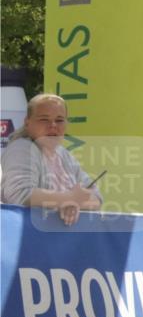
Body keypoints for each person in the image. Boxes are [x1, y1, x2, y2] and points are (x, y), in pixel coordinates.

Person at [1, 93, 102, 225]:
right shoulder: (21, 148)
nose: (53, 125)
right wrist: (68, 199)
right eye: (44, 119)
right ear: (27, 122)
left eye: (59, 120)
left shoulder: (65, 155)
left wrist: (73, 204)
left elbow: (97, 199)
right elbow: (20, 194)